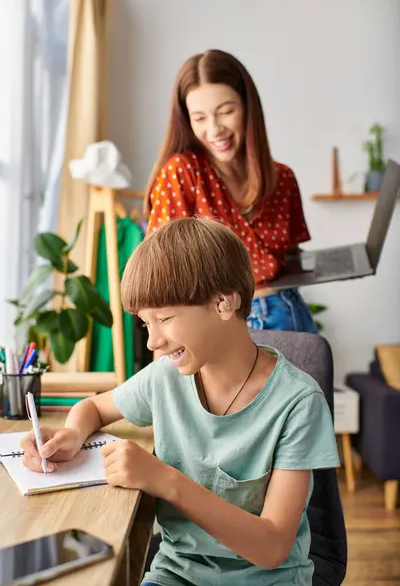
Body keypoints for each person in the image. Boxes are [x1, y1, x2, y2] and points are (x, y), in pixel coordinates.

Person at [21, 217, 339, 586]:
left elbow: (272, 548)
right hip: (176, 576)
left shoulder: (298, 403)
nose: (153, 341)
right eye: (145, 324)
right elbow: (92, 408)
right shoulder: (165, 379)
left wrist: (163, 479)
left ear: (223, 304)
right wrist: (73, 434)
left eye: (165, 319)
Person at [144, 49, 317, 333]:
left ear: (248, 108)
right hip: (232, 326)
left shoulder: (282, 177)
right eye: (199, 118)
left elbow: (291, 260)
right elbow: (161, 279)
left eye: (226, 112)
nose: (214, 130)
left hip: (293, 311)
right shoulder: (182, 174)